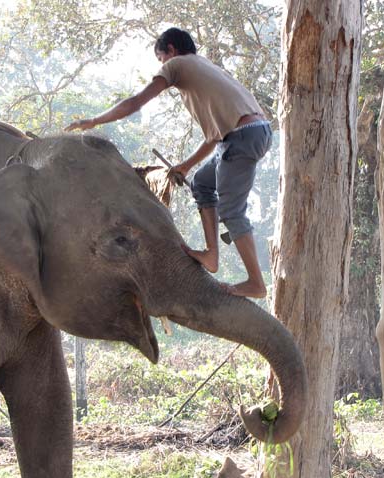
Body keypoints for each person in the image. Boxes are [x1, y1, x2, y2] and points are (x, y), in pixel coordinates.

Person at [65, 27, 272, 298]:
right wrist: (185, 166)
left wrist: (93, 121)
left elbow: (136, 102)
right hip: (249, 134)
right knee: (202, 183)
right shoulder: (205, 69)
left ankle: (255, 283)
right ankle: (211, 255)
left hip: (241, 137)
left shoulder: (177, 64)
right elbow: (214, 139)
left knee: (232, 212)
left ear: (171, 50)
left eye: (161, 59)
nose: (162, 66)